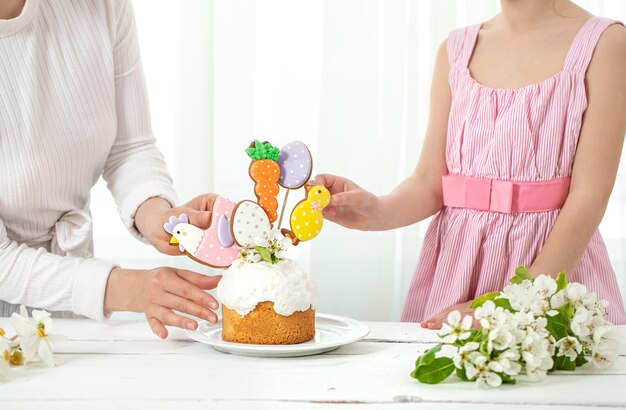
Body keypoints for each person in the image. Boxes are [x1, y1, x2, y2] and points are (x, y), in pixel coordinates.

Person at [316, 0, 626, 327]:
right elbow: (430, 179)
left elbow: (589, 196)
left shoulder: (605, 44)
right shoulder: (455, 50)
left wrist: (517, 303)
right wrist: (379, 211)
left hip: (548, 277)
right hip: (457, 269)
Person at [0, 0, 219, 339]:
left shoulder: (102, 5)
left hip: (73, 311)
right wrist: (128, 288)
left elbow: (129, 147)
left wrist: (157, 216)